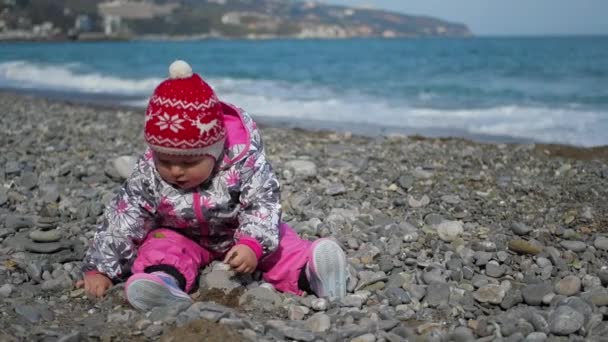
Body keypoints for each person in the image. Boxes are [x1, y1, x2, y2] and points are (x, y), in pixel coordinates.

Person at [76, 60, 348, 310]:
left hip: (238, 233)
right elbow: (125, 217)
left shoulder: (241, 160)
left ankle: (311, 273)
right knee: (160, 245)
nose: (176, 171)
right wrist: (100, 268)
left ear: (214, 151)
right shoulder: (149, 172)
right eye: (165, 160)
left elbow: (262, 203)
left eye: (189, 163)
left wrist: (253, 243)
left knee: (282, 243)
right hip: (183, 234)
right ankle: (163, 283)